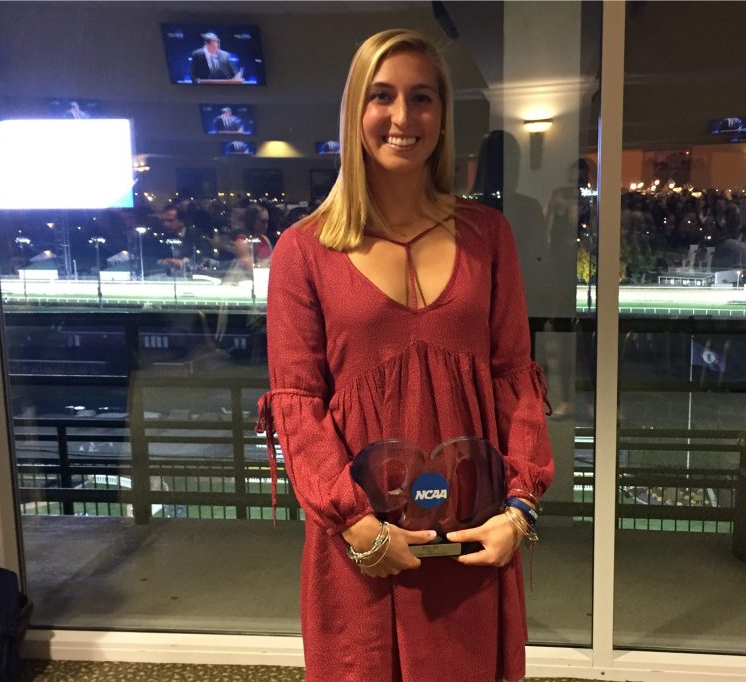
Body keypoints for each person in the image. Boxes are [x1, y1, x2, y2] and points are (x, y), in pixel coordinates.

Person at [255, 28, 554, 682]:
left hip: (473, 534)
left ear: (442, 116)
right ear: (354, 112)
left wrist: (520, 509)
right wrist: (359, 528)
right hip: (361, 545)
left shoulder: (488, 236)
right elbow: (299, 407)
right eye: (381, 96)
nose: (402, 117)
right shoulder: (303, 252)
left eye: (422, 98)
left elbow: (515, 382)